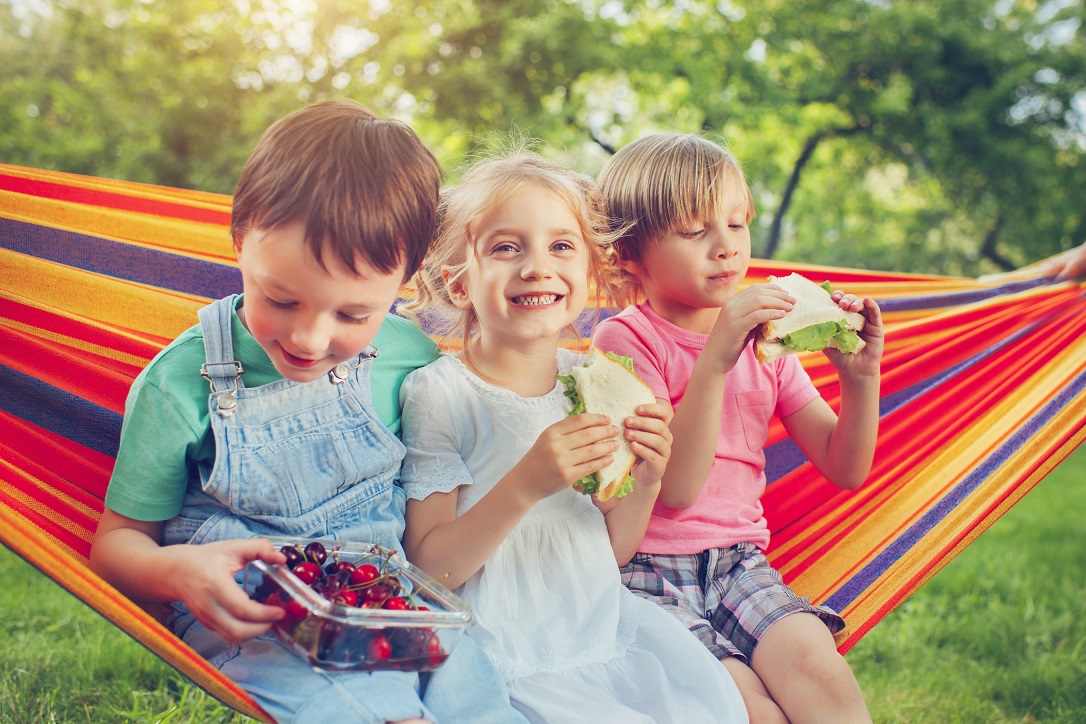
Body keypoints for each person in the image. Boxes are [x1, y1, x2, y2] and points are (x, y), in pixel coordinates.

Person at [88, 99, 524, 724]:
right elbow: (116, 546)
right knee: (370, 712)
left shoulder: (410, 358)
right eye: (281, 298)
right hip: (255, 624)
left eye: (352, 315)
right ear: (240, 242)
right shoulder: (180, 381)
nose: (309, 339)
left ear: (406, 282)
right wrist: (174, 571)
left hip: (384, 605)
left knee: (480, 694)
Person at [397, 149, 749, 723]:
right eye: (507, 248)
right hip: (507, 654)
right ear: (458, 284)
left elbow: (609, 550)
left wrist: (648, 478)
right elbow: (428, 571)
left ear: (590, 274)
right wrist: (525, 485)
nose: (537, 267)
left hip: (600, 633)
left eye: (561, 246)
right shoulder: (441, 394)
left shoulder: (596, 382)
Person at [591, 132, 883, 724]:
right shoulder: (625, 341)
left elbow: (845, 467)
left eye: (736, 224)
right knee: (749, 711)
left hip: (740, 566)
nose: (726, 248)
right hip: (645, 577)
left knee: (821, 675)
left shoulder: (766, 342)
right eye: (696, 232)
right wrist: (717, 358)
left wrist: (860, 378)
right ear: (628, 254)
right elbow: (674, 489)